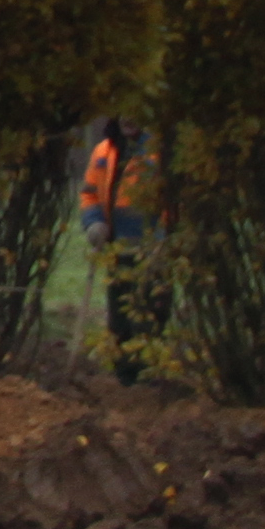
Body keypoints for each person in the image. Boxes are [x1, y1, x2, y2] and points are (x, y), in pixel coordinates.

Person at [78, 118, 160, 380]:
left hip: (154, 251)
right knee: (120, 320)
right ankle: (124, 380)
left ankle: (150, 378)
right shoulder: (104, 150)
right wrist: (93, 223)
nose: (128, 118)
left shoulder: (160, 152)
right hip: (117, 251)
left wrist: (163, 239)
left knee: (151, 315)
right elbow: (89, 192)